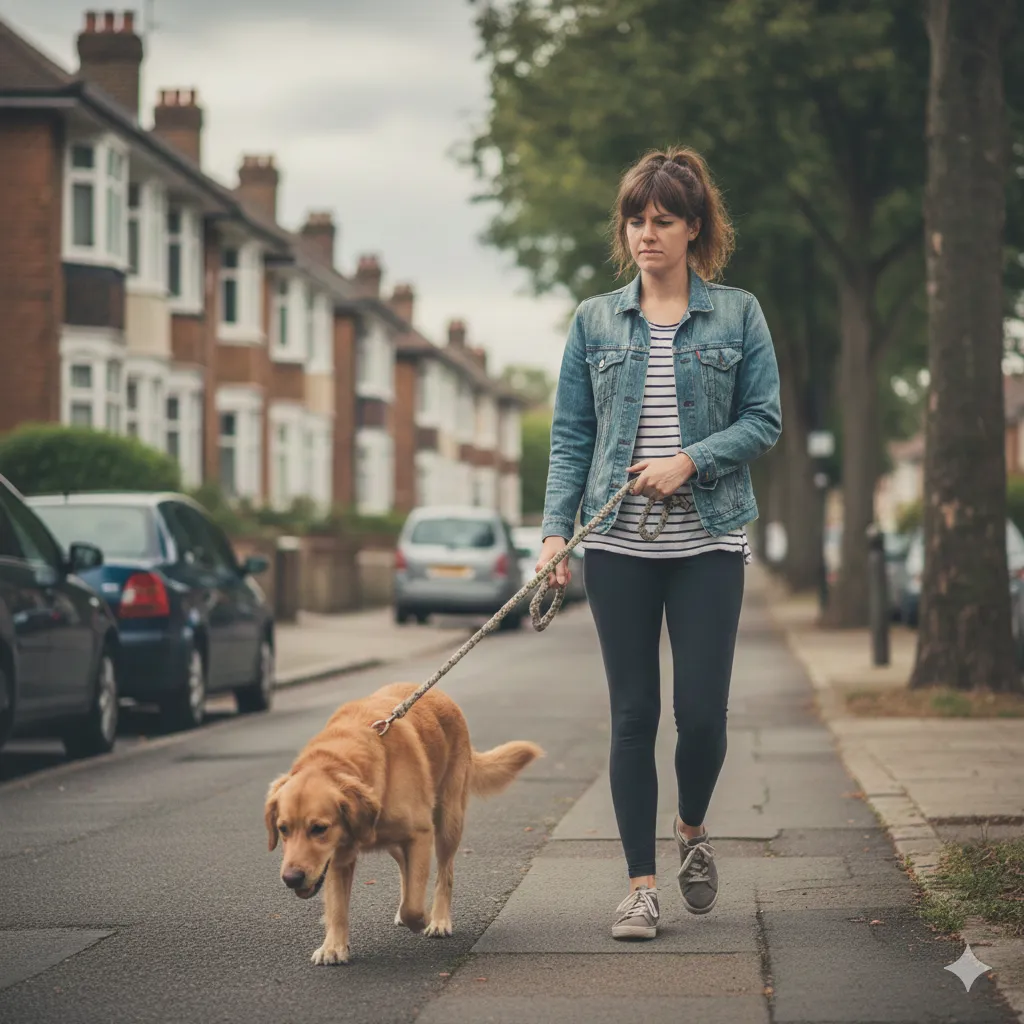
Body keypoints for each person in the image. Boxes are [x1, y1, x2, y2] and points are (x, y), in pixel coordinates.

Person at [537, 147, 782, 940]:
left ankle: (692, 828)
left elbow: (764, 420)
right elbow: (572, 437)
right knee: (633, 713)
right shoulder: (594, 321)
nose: (647, 233)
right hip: (618, 548)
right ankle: (640, 887)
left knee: (701, 716)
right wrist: (554, 533)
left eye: (663, 220)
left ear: (694, 227)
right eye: (636, 220)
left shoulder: (738, 314)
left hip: (708, 540)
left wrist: (690, 460)